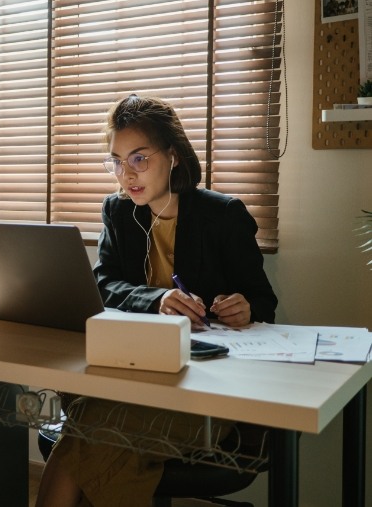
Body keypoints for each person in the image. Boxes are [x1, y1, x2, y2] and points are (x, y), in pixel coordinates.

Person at [35, 95, 278, 507]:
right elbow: (103, 285)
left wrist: (246, 307)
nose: (125, 174)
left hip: (202, 388)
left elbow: (264, 302)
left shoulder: (223, 215)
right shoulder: (118, 210)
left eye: (139, 159)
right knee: (100, 428)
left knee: (90, 429)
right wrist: (158, 299)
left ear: (174, 155)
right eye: (116, 160)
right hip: (132, 375)